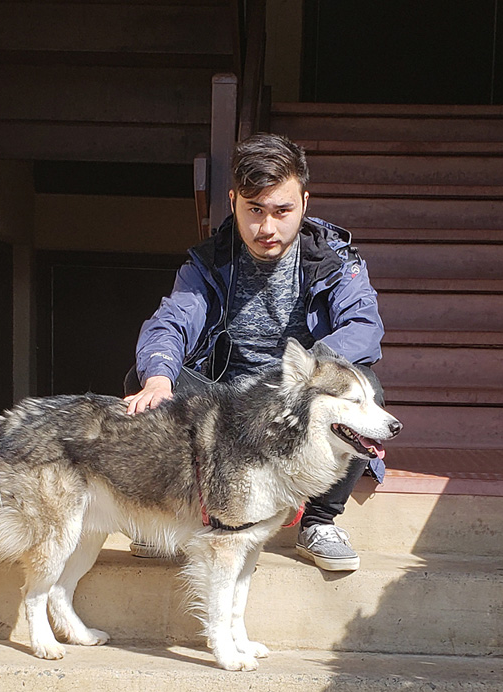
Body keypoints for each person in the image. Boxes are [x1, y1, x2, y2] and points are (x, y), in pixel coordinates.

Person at [123, 133, 385, 572]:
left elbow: (363, 328)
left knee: (365, 386)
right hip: (227, 400)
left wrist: (301, 377)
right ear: (233, 202)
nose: (267, 228)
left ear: (304, 200)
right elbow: (172, 321)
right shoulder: (209, 262)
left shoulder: (335, 261)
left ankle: (319, 521)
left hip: (298, 391)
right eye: (254, 211)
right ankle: (168, 518)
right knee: (145, 380)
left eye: (283, 211)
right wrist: (159, 376)